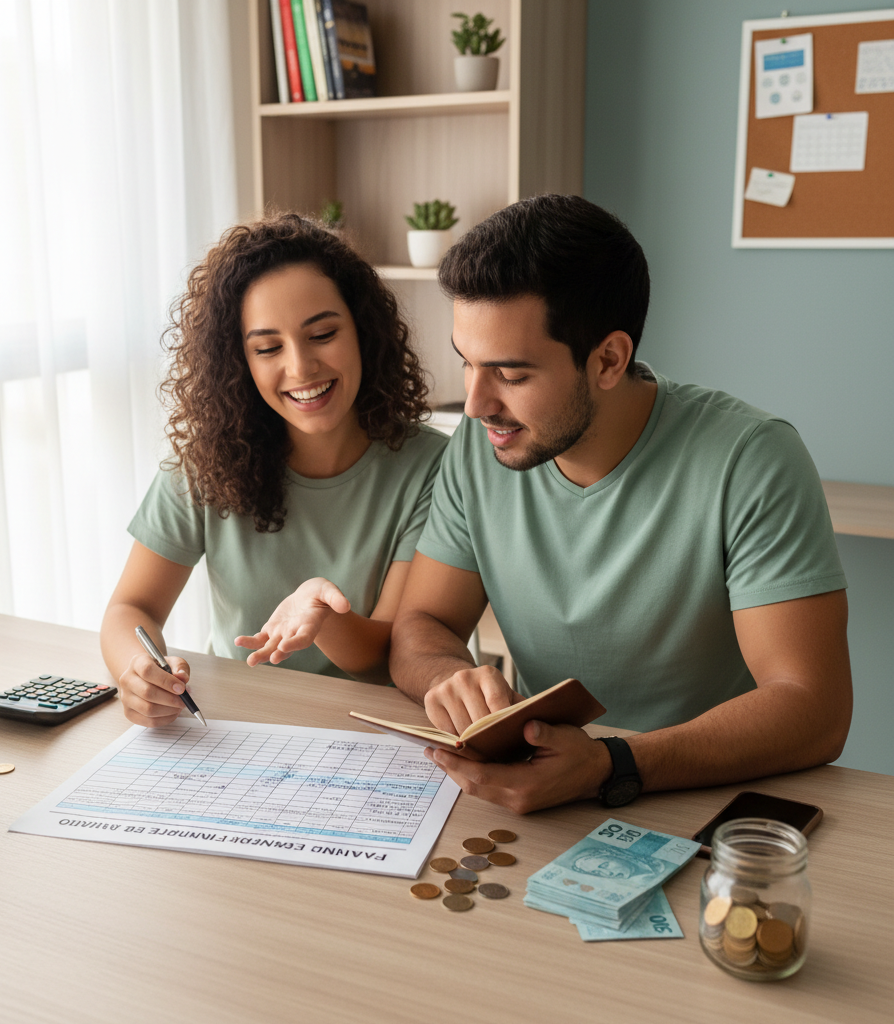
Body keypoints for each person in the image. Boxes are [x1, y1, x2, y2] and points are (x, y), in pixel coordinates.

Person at [389, 193, 852, 814]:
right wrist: (449, 676)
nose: (474, 405)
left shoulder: (752, 458)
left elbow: (814, 708)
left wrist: (610, 766)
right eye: (468, 363)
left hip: (705, 797)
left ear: (609, 359)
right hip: (539, 789)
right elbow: (422, 626)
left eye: (512, 375)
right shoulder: (481, 446)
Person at [101, 214, 447, 727]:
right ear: (240, 362)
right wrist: (137, 672)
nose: (301, 367)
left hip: (377, 733)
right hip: (241, 728)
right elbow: (130, 609)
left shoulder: (431, 467)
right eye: (267, 348)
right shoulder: (205, 464)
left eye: (323, 333)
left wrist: (321, 616)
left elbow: (388, 656)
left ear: (363, 331)